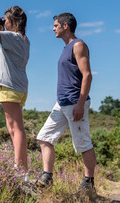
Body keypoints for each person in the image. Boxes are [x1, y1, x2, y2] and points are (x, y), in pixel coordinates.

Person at [36, 12, 97, 191]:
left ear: (65, 26)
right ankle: (47, 178)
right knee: (44, 137)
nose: (52, 28)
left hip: (74, 102)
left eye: (55, 25)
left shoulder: (78, 45)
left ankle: (88, 183)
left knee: (83, 143)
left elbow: (87, 75)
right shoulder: (65, 48)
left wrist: (80, 103)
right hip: (62, 103)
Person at [0, 6, 30, 181]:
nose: (4, 22)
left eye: (5, 20)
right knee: (13, 129)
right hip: (19, 87)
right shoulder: (25, 40)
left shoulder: (11, 37)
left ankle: (21, 170)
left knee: (16, 129)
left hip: (9, 86)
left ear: (14, 21)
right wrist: (3, 28)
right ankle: (21, 168)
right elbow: (7, 47)